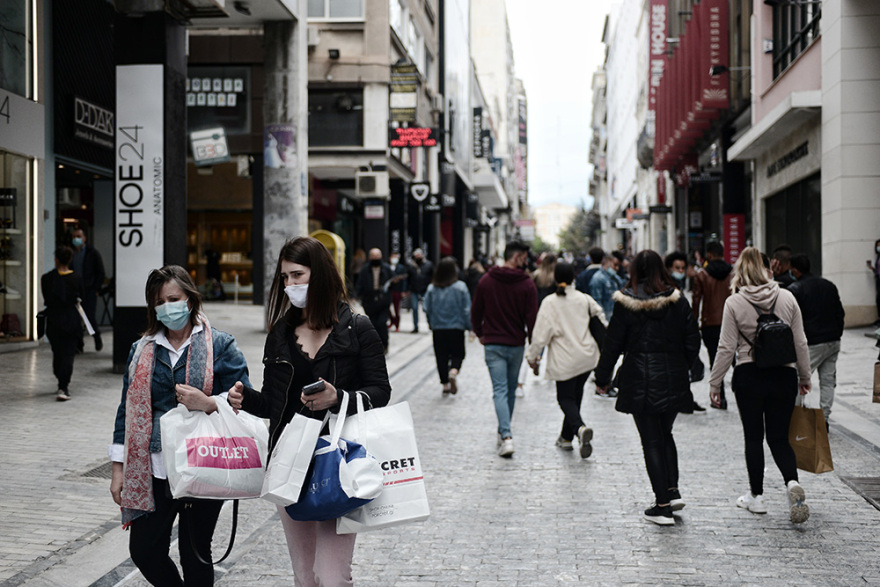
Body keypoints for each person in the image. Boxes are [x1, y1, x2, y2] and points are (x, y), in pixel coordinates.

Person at [228, 236, 390, 585]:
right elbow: (274, 401)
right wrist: (245, 398)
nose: (290, 285)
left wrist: (339, 397)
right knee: (305, 577)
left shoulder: (357, 328)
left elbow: (381, 391)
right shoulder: (281, 334)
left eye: (297, 275)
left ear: (320, 275)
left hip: (340, 462)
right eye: (284, 278)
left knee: (331, 576)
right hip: (291, 464)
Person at [109, 265, 251, 585]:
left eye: (173, 298)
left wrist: (208, 402)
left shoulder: (221, 345)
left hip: (203, 463)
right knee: (145, 550)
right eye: (160, 301)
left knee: (195, 553)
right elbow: (125, 411)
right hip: (155, 470)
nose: (167, 307)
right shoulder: (141, 350)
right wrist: (118, 469)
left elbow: (245, 403)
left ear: (190, 298)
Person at [594, 250, 701, 525]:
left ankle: (663, 505)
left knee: (651, 439)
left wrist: (602, 376)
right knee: (665, 433)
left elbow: (613, 343)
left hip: (639, 377)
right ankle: (672, 490)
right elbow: (692, 337)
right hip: (673, 376)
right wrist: (684, 365)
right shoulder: (676, 299)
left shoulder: (625, 301)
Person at [708, 247, 812, 524]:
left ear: (740, 272)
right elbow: (800, 342)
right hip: (784, 376)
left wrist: (715, 383)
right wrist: (804, 377)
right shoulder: (787, 297)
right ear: (767, 269)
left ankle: (757, 498)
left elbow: (726, 347)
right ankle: (792, 484)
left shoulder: (735, 303)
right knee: (779, 438)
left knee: (754, 437)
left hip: (749, 375)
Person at [526, 262, 605, 458]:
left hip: (565, 358)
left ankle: (579, 429)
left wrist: (532, 356)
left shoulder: (550, 302)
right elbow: (602, 321)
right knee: (575, 396)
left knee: (565, 398)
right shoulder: (585, 299)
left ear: (555, 278)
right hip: (587, 357)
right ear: (573, 277)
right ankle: (565, 437)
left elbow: (540, 335)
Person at [471, 240, 538, 458]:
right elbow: (532, 318)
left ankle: (505, 433)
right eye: (524, 257)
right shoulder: (527, 284)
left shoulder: (487, 280)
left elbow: (476, 311)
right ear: (517, 256)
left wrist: (480, 333)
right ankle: (506, 434)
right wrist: (533, 346)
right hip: (516, 343)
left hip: (493, 344)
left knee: (500, 390)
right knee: (508, 390)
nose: (526, 261)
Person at [788, 253, 845, 426]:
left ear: (795, 270)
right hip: (833, 340)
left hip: (812, 342)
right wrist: (837, 333)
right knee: (828, 381)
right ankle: (824, 419)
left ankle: (795, 419)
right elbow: (840, 313)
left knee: (800, 379)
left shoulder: (796, 289)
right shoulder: (829, 285)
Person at [692, 241, 733, 409]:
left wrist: (694, 321)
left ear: (708, 254)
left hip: (710, 323)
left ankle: (719, 398)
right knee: (735, 359)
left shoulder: (701, 275)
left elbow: (696, 300)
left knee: (715, 361)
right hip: (731, 322)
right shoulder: (733, 273)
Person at [41, 246, 85, 401]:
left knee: (58, 352)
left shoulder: (47, 279)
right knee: (68, 354)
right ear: (70, 260)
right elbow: (82, 298)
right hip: (71, 320)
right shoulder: (77, 279)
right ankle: (63, 385)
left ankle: (61, 380)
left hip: (54, 320)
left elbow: (46, 298)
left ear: (56, 259)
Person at [423, 257, 471, 395]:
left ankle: (445, 384)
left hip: (438, 328)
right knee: (458, 354)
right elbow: (466, 309)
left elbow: (426, 307)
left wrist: (430, 323)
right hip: (456, 327)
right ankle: (454, 371)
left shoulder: (432, 288)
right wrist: (469, 326)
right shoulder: (460, 287)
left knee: (441, 356)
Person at [666, 251, 706, 412]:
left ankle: (685, 399)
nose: (681, 271)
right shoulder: (668, 286)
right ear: (669, 268)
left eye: (683, 268)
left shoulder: (678, 285)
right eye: (677, 268)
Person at [71, 225, 106, 351]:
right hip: (75, 290)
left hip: (89, 290)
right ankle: (79, 344)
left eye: (79, 236)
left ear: (84, 238)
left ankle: (97, 337)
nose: (76, 239)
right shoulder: (71, 253)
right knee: (75, 318)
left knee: (89, 316)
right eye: (74, 237)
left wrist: (96, 288)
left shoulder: (92, 253)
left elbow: (100, 272)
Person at [355, 248, 393, 352]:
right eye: (373, 255)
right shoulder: (365, 270)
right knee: (373, 324)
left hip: (383, 300)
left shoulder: (386, 269)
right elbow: (360, 283)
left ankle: (384, 345)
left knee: (382, 323)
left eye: (377, 255)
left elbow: (393, 282)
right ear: (369, 257)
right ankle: (375, 345)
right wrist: (357, 295)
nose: (375, 257)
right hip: (369, 301)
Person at [407, 248, 434, 333]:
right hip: (414, 290)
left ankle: (430, 325)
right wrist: (407, 289)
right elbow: (408, 278)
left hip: (425, 290)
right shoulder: (411, 265)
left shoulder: (428, 265)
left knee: (426, 308)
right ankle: (415, 327)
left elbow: (433, 276)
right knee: (414, 309)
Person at [589, 254, 623, 320]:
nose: (617, 268)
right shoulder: (597, 279)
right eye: (615, 265)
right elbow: (597, 302)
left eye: (618, 265)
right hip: (607, 318)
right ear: (608, 262)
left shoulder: (616, 278)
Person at [388, 252, 408, 331]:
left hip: (398, 290)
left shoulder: (401, 268)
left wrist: (403, 291)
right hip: (389, 290)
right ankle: (392, 321)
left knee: (397, 308)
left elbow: (404, 280)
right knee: (387, 307)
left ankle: (397, 325)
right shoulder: (387, 267)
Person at [867, 238, 880, 326]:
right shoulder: (878, 257)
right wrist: (872, 269)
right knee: (878, 299)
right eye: (878, 246)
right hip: (878, 279)